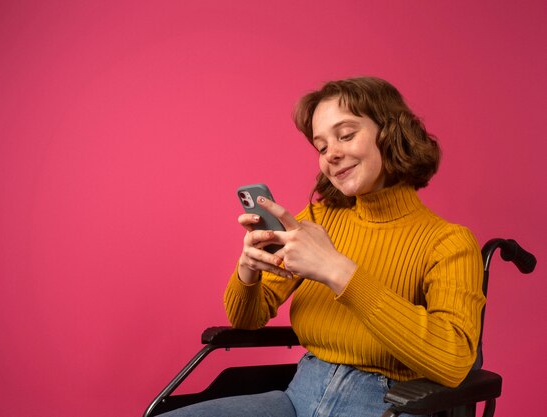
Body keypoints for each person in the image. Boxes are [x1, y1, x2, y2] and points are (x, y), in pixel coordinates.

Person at [160, 77, 485, 417]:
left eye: (346, 135)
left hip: (387, 405)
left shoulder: (448, 242)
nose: (332, 154)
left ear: (391, 135)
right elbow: (247, 319)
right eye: (322, 146)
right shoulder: (318, 220)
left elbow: (453, 361)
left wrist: (340, 272)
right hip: (299, 395)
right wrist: (249, 272)